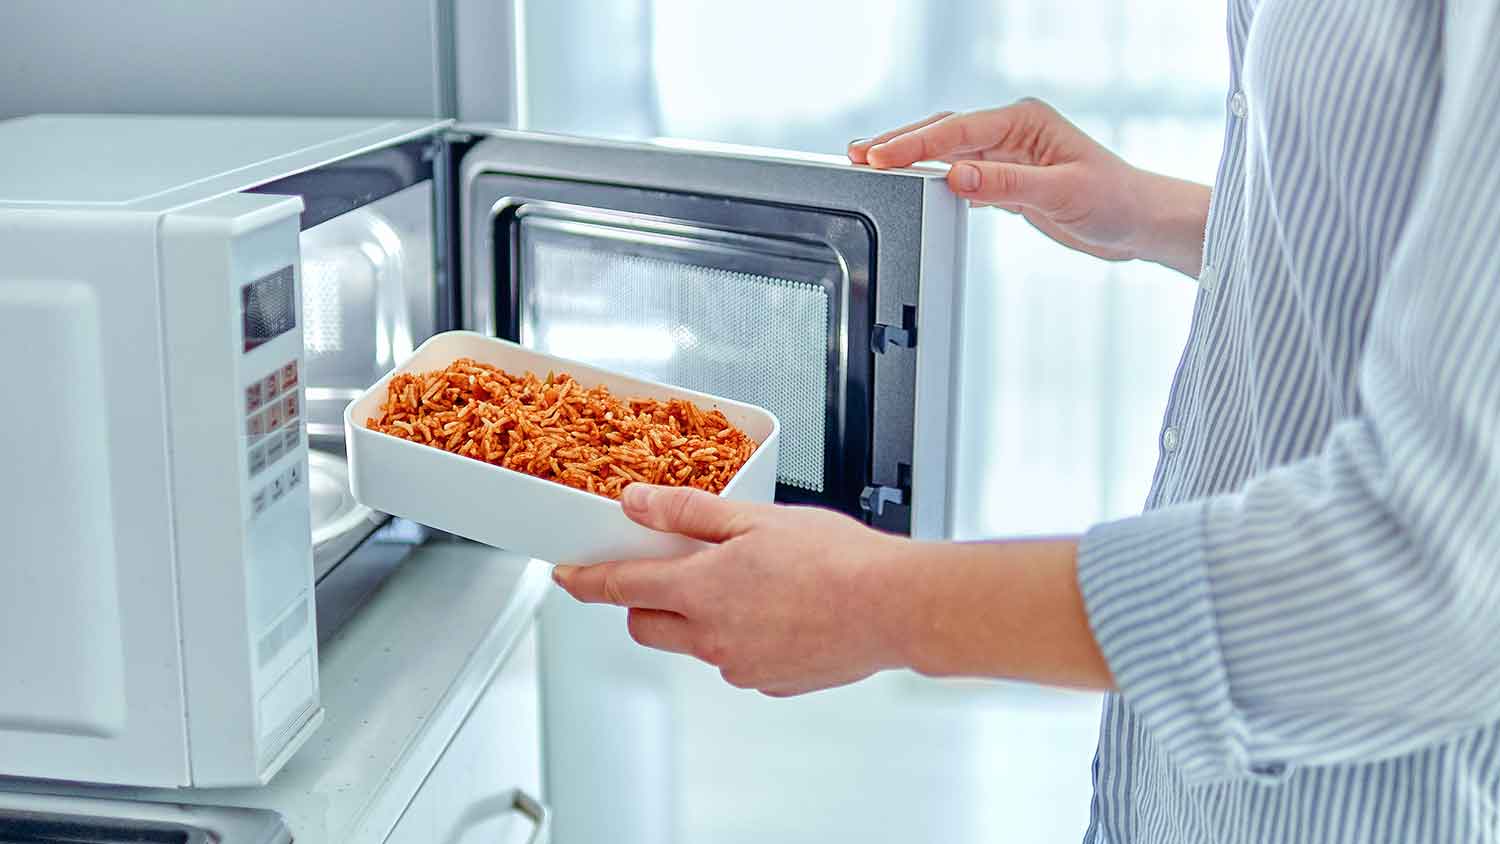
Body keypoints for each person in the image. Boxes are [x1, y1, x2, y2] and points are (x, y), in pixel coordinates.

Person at [553, 1, 1500, 839]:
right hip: (1174, 800)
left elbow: (1435, 574)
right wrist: (1158, 214)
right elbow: (1416, 248)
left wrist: (879, 604)